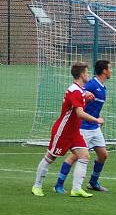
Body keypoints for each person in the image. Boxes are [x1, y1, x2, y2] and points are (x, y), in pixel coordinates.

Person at [31, 63, 104, 198]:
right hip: (63, 131)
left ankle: (76, 189)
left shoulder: (79, 90)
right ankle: (37, 186)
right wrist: (96, 120)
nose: (88, 75)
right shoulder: (75, 91)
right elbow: (79, 113)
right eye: (87, 73)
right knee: (50, 157)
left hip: (74, 132)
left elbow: (77, 103)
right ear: (82, 74)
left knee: (84, 156)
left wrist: (85, 96)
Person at [54, 59, 112, 193]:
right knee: (75, 156)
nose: (111, 71)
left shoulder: (102, 87)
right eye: (109, 68)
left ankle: (93, 183)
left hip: (94, 127)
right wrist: (85, 94)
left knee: (103, 154)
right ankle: (59, 184)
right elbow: (80, 91)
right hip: (83, 127)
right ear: (104, 71)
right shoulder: (92, 84)